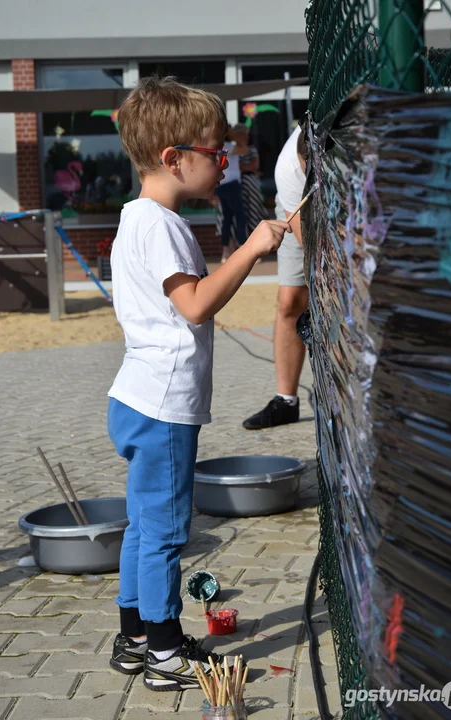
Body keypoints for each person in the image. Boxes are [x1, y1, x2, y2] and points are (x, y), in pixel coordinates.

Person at [107, 75, 290, 691]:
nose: (226, 162)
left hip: (135, 397)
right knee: (165, 532)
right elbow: (195, 305)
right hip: (163, 406)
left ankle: (135, 636)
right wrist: (252, 249)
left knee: (142, 525)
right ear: (173, 157)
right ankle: (163, 653)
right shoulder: (162, 226)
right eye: (218, 153)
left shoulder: (136, 218)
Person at [243, 126, 308, 430]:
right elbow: (312, 250)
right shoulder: (290, 168)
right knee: (290, 300)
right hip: (300, 209)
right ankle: (286, 400)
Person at [214, 126, 248, 263]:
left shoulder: (217, 147)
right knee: (240, 216)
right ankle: (243, 247)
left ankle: (225, 251)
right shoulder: (228, 145)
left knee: (226, 218)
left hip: (222, 185)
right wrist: (233, 136)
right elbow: (244, 149)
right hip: (232, 185)